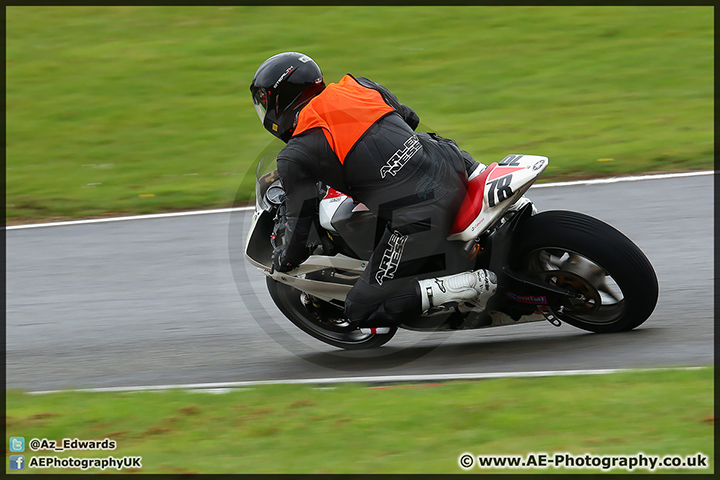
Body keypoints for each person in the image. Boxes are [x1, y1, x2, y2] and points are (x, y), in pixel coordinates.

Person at [250, 51, 497, 330]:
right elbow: (409, 120)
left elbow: (300, 218)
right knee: (424, 142)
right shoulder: (359, 85)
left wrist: (285, 259)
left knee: (362, 309)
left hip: (419, 214)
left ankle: (470, 284)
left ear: (278, 101)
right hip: (452, 163)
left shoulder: (296, 153)